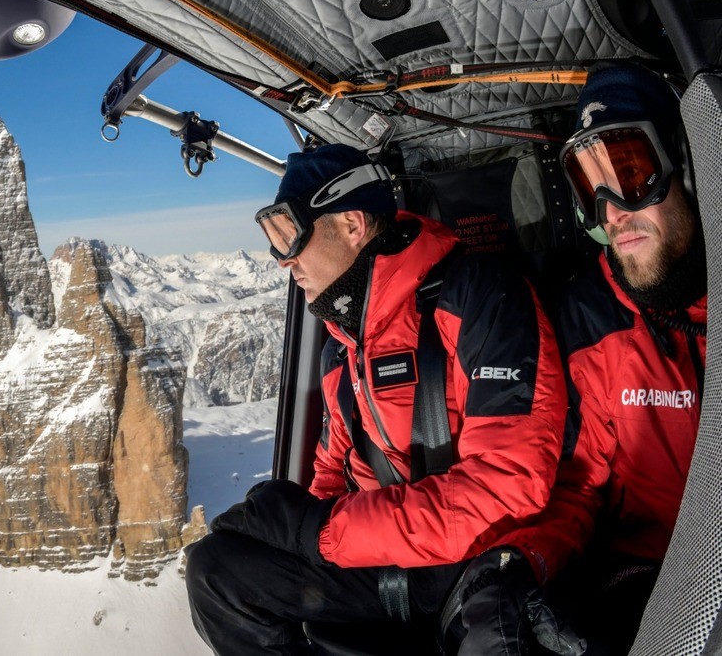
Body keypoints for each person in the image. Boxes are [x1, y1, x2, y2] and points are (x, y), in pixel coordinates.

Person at [184, 142, 568, 654]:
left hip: (473, 561)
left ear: (352, 224)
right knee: (216, 570)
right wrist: (296, 527)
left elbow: (509, 485)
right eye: (274, 240)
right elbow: (329, 473)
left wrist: (320, 533)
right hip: (385, 559)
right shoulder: (341, 350)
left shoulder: (481, 297)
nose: (284, 261)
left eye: (290, 233)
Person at [465, 61, 707, 655]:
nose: (612, 210)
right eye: (588, 182)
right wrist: (522, 563)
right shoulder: (588, 318)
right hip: (654, 580)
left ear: (690, 169)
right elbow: (578, 487)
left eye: (628, 172)